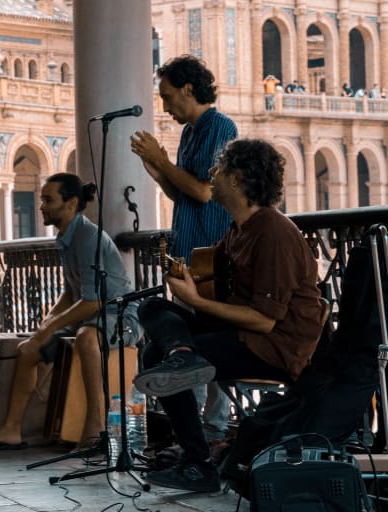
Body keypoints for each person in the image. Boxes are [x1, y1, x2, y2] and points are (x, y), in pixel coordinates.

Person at [134, 139, 325, 492]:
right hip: (240, 331)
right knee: (150, 310)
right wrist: (186, 280)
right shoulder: (240, 228)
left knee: (157, 356)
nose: (211, 175)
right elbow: (212, 275)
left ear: (235, 179)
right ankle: (184, 356)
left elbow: (265, 321)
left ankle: (198, 465)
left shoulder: (273, 233)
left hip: (272, 347)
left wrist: (196, 301)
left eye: (218, 169)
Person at [0, 173, 142, 451]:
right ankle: (12, 430)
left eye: (48, 200)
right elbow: (69, 293)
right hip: (92, 315)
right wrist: (45, 325)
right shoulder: (66, 236)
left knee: (87, 337)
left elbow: (93, 300)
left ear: (71, 203)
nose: (41, 206)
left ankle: (96, 428)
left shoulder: (88, 236)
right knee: (29, 349)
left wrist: (51, 327)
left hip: (121, 315)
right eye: (42, 200)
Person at [130, 54, 237, 446]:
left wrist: (162, 160)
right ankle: (190, 430)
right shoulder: (190, 133)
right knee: (185, 340)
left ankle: (214, 428)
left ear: (189, 90)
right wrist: (156, 168)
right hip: (187, 251)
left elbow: (205, 191)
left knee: (209, 342)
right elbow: (180, 192)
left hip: (211, 255)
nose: (166, 105)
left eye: (168, 96)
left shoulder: (220, 126)